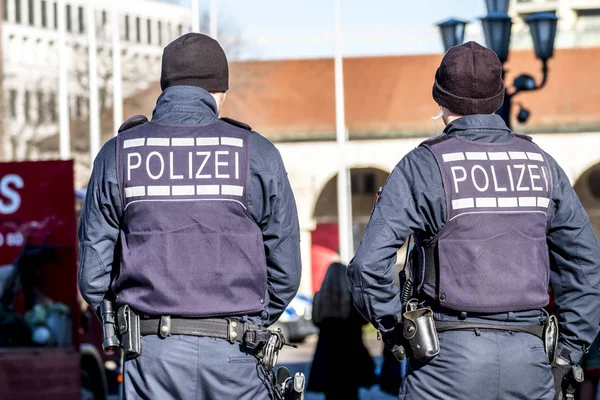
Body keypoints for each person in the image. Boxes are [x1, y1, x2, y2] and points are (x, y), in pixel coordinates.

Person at [346, 41, 600, 400]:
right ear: (498, 97)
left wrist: (398, 335)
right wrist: (566, 354)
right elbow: (587, 267)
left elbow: (367, 267)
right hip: (530, 361)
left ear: (440, 99)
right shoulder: (542, 164)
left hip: (444, 363)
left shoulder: (423, 166)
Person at [77, 33, 302, 400]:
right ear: (219, 92)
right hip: (236, 354)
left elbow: (92, 276)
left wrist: (124, 317)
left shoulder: (119, 154)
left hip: (150, 358)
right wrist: (248, 321)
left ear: (165, 87)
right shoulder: (255, 153)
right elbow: (286, 270)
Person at [307, 262, 376, 400]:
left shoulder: (319, 297)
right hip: (351, 351)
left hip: (327, 354)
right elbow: (364, 321)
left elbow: (316, 321)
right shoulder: (352, 298)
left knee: (331, 393)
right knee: (351, 393)